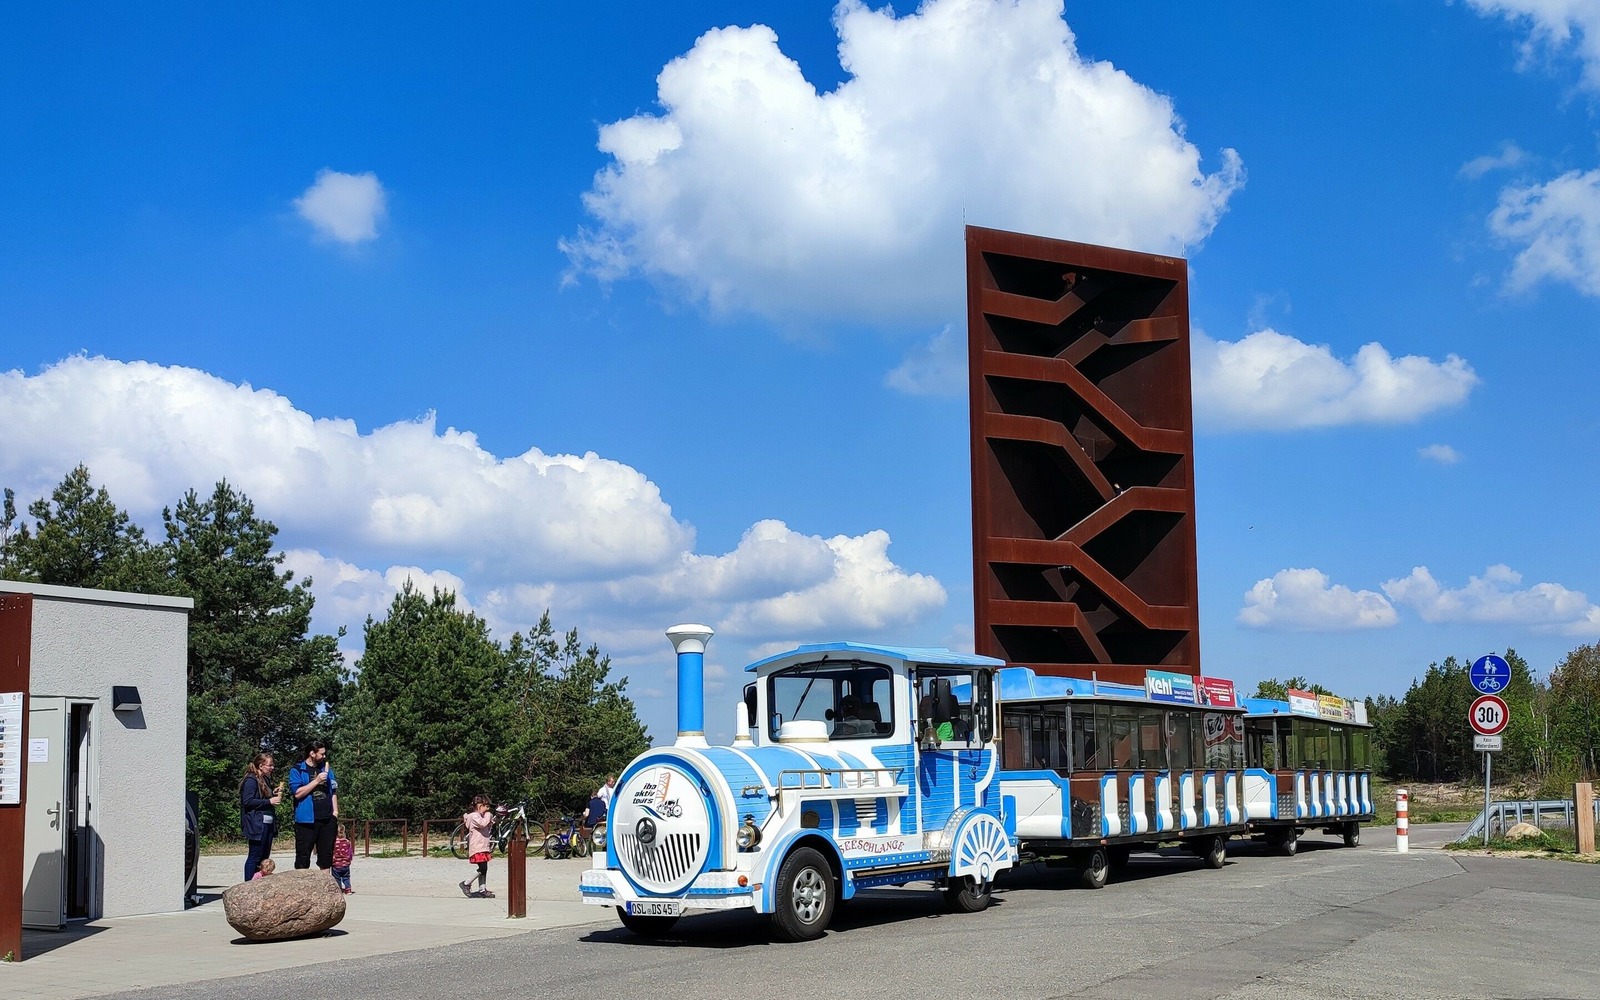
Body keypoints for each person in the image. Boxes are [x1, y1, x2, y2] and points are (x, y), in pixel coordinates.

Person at [288, 740, 339, 870]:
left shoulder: (327, 770)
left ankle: (325, 882)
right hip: (306, 821)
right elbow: (298, 793)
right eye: (321, 754)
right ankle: (302, 882)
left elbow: (333, 791)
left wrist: (335, 813)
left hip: (327, 820)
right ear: (312, 753)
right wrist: (316, 781)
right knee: (303, 857)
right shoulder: (297, 770)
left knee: (326, 858)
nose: (324, 756)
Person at [239, 752, 284, 884]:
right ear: (260, 766)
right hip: (256, 824)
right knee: (255, 856)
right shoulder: (251, 780)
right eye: (270, 765)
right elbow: (247, 801)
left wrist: (272, 793)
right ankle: (248, 885)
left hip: (267, 823)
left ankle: (260, 884)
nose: (272, 768)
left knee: (264, 857)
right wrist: (269, 801)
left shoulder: (265, 779)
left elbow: (261, 796)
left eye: (272, 765)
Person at [459, 795, 495, 898]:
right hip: (477, 846)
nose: (487, 809)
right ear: (479, 805)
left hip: (483, 845)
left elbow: (486, 826)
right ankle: (466, 883)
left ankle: (482, 889)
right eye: (485, 806)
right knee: (482, 868)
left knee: (484, 868)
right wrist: (488, 815)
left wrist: (491, 821)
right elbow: (482, 824)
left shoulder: (481, 816)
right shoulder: (473, 816)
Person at [331, 825, 354, 893]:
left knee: (337, 878)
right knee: (346, 877)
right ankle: (348, 889)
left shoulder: (334, 842)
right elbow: (350, 853)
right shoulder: (347, 842)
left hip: (336, 864)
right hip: (345, 864)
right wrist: (349, 860)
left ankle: (339, 889)